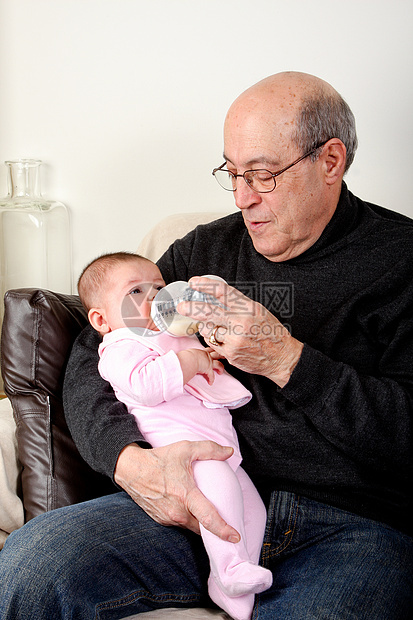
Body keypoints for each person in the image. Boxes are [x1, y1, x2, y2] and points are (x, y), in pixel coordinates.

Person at [0, 71, 412, 620]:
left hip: (352, 528)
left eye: (263, 175)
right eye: (232, 173)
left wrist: (286, 359)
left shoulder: (400, 262)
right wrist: (127, 462)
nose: (243, 198)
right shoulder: (205, 250)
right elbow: (91, 355)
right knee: (32, 566)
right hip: (198, 505)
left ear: (331, 161)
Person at [77, 251, 272, 620]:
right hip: (184, 452)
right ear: (101, 319)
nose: (153, 297)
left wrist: (209, 352)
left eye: (159, 288)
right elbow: (145, 385)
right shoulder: (119, 348)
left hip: (220, 449)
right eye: (136, 291)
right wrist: (190, 362)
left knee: (253, 511)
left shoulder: (174, 336)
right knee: (223, 500)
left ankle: (231, 584)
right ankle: (230, 569)